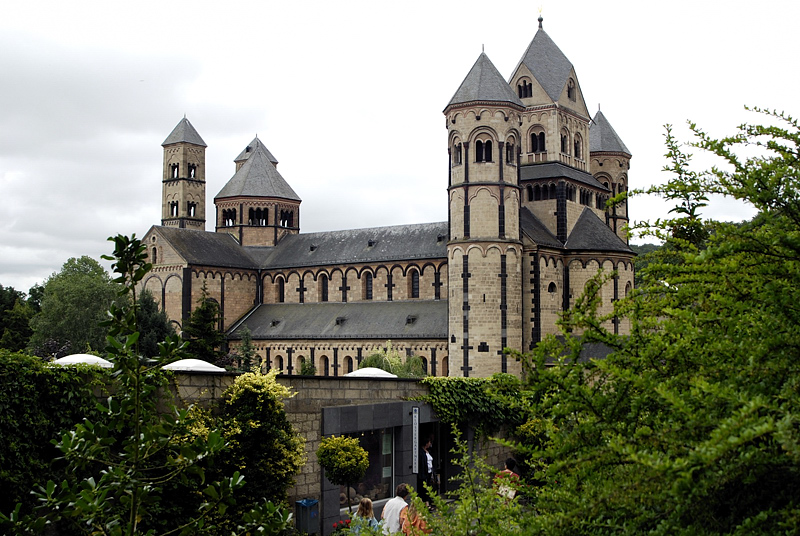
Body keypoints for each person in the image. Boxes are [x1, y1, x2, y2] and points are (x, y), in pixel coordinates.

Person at [417, 436, 435, 504]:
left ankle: (429, 501)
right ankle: (426, 503)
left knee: (429, 488)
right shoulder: (421, 452)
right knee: (424, 489)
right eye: (429, 442)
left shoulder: (429, 451)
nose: (430, 444)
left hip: (429, 472)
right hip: (424, 473)